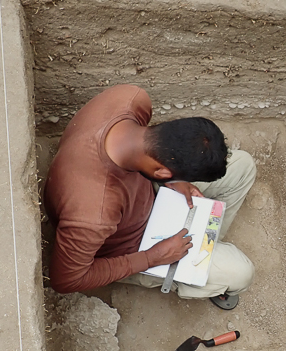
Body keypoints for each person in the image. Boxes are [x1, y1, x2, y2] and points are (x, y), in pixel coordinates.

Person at [43, 84, 256, 310]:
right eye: (168, 175)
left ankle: (204, 246)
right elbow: (66, 280)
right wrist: (152, 257)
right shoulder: (95, 213)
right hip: (129, 246)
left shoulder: (131, 99)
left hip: (143, 191)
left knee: (243, 165)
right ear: (162, 170)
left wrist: (172, 181)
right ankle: (193, 265)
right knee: (241, 274)